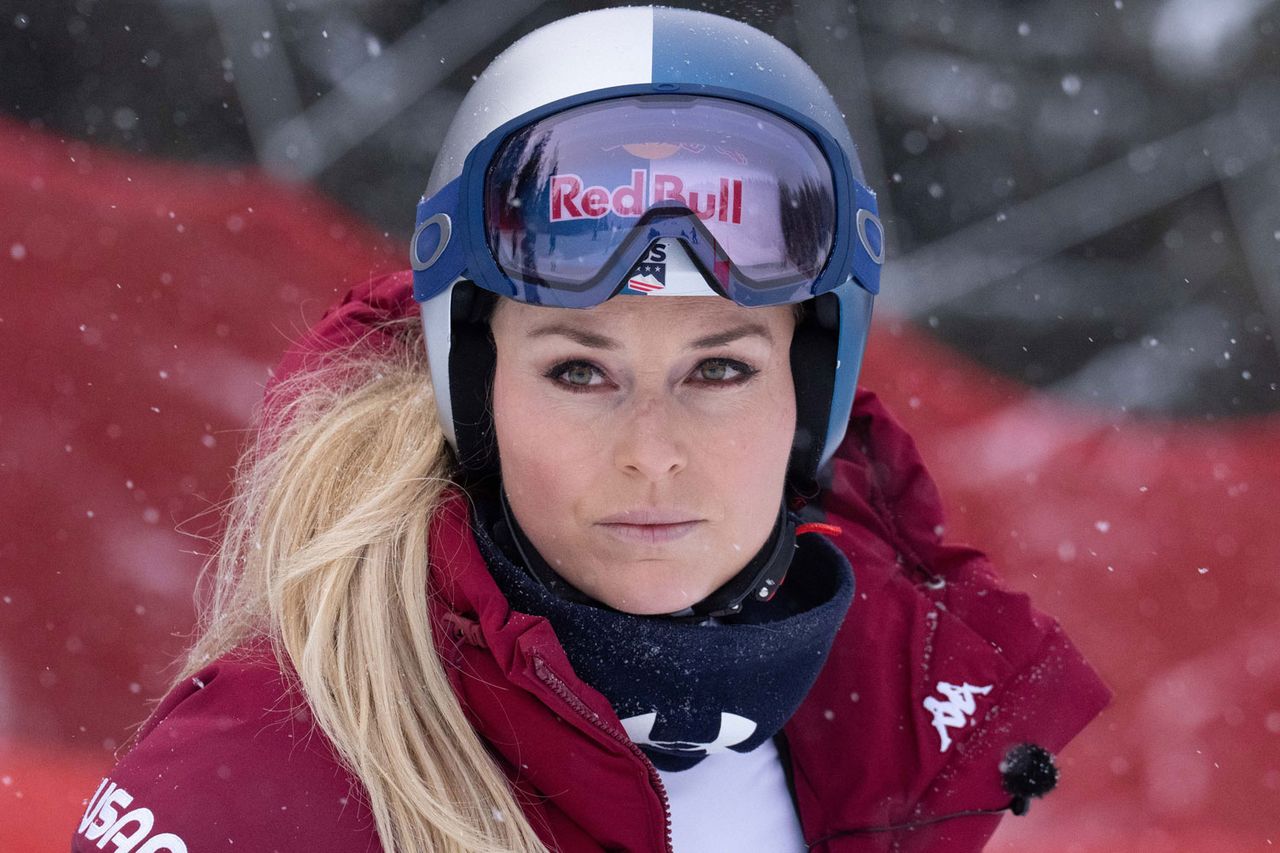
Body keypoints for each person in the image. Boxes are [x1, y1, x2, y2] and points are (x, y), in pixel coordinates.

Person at [72, 7, 1109, 852]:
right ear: (472, 390)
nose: (650, 449)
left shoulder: (884, 731)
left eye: (718, 369)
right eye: (578, 370)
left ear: (810, 395)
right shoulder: (250, 790)